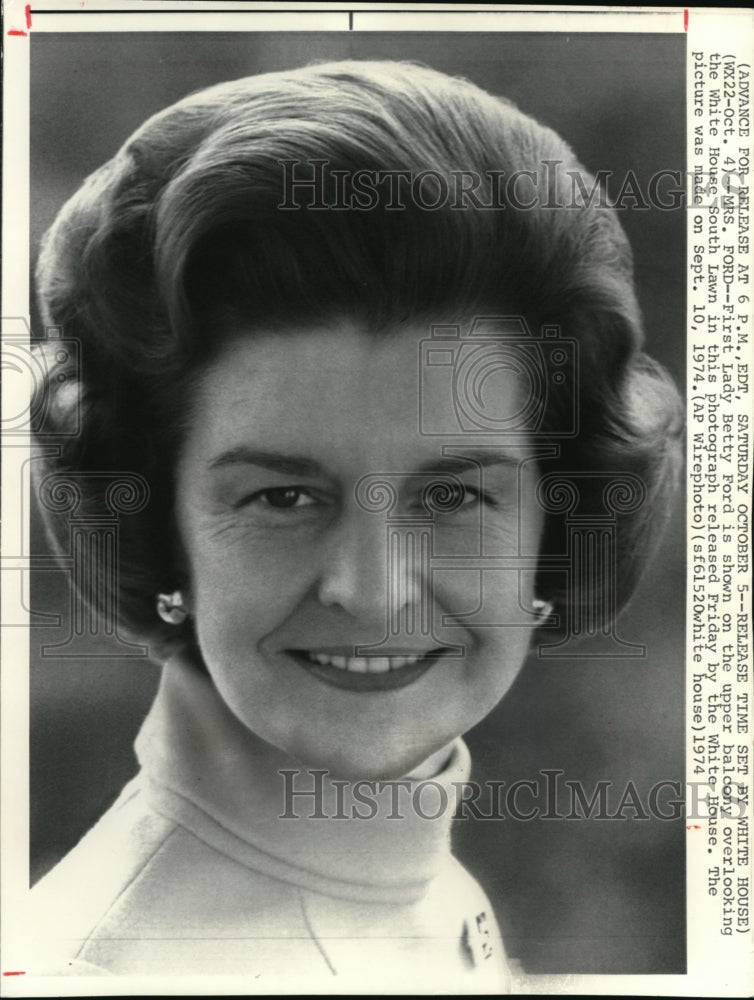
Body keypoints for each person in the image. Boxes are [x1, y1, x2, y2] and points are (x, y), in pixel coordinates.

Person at [26, 59, 682, 989]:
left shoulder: (444, 904)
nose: (373, 589)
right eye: (283, 498)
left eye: (452, 497)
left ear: (553, 523)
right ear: (157, 530)